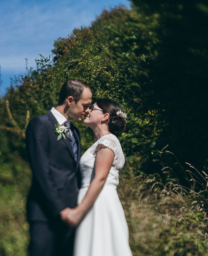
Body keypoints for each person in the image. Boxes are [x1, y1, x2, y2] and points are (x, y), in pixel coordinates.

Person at [25, 79, 93, 256]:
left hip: (72, 214)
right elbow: (42, 171)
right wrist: (61, 209)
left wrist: (77, 210)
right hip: (45, 213)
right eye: (85, 106)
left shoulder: (75, 132)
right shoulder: (40, 125)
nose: (87, 111)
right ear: (70, 100)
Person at [61, 98, 133, 256]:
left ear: (105, 116)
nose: (87, 110)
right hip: (93, 200)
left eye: (92, 108)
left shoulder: (108, 141)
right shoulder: (101, 142)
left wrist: (78, 212)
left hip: (99, 201)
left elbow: (100, 178)